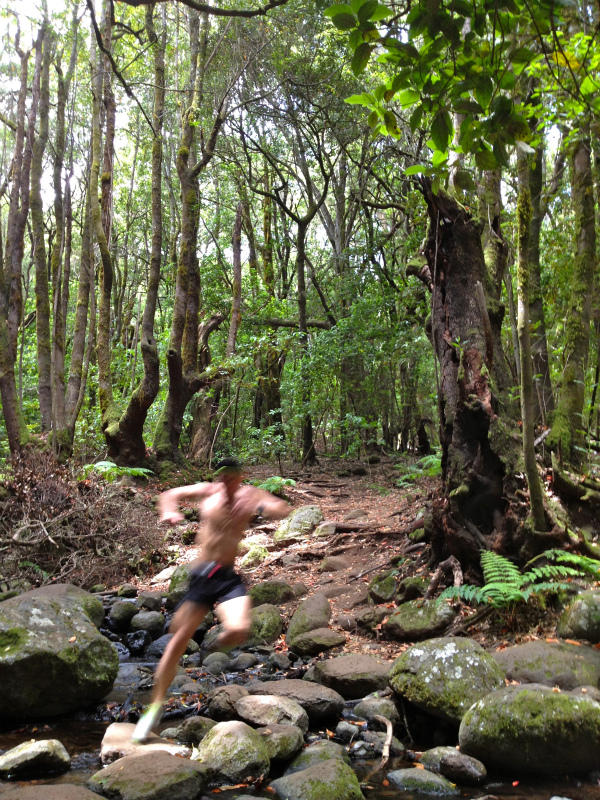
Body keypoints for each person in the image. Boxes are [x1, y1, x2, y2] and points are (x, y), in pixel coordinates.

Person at [132, 458, 291, 742]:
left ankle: (211, 647)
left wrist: (264, 508)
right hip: (203, 576)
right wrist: (170, 513)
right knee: (178, 638)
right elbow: (169, 495)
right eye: (222, 477)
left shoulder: (250, 495)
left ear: (239, 477)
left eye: (231, 478)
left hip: (228, 575)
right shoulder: (208, 491)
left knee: (240, 630)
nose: (225, 483)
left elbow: (282, 507)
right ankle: (154, 706)